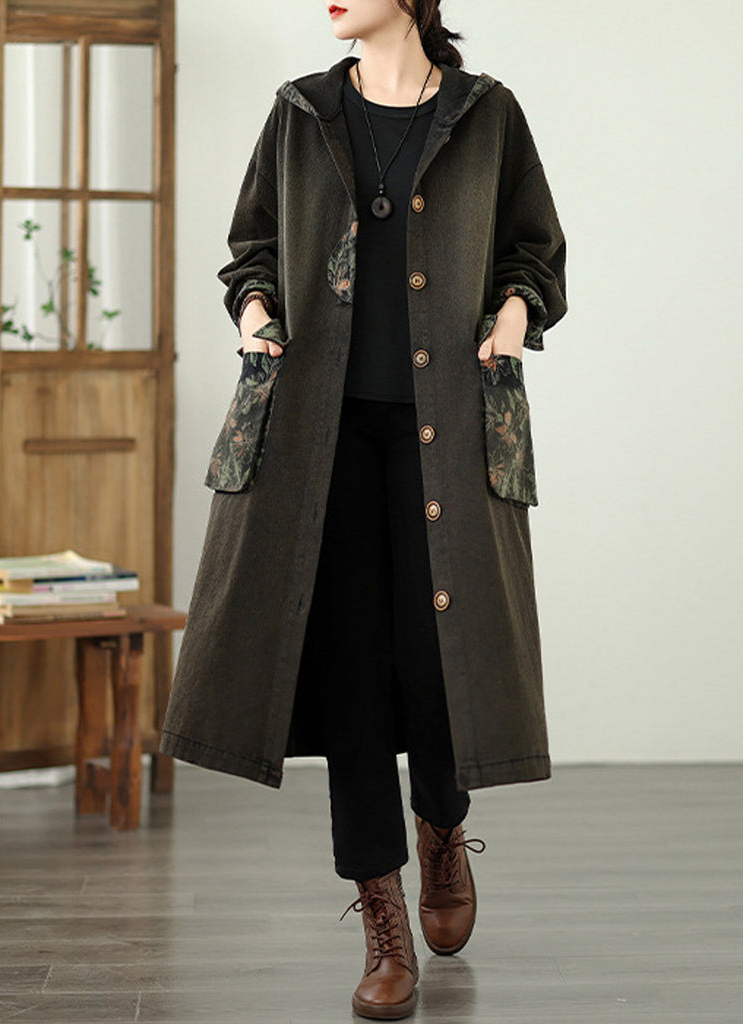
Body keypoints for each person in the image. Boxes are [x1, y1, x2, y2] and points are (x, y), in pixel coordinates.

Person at [160, 1, 567, 1019]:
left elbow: (534, 252)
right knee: (349, 673)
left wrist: (511, 317)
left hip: (449, 426)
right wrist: (255, 312)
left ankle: (442, 824)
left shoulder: (485, 114)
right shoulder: (301, 111)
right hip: (317, 434)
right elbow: (252, 249)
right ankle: (382, 915)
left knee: (438, 659)